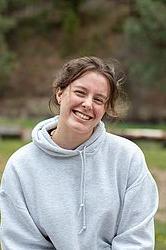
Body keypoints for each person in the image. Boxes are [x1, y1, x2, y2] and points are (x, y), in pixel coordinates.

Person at [0, 56, 158, 249]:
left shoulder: (128, 158)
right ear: (60, 93)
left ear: (105, 108)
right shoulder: (21, 166)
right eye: (80, 92)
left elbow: (136, 241)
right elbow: (21, 244)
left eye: (98, 99)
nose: (88, 104)